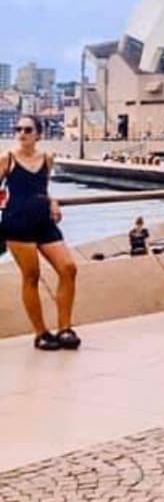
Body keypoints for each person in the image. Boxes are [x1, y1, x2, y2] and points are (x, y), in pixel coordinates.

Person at [0, 116, 81, 350]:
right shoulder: (7, 158)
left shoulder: (46, 158)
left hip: (44, 222)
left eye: (27, 129)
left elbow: (42, 188)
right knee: (31, 276)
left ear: (38, 134)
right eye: (18, 129)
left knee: (68, 268)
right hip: (17, 222)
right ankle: (41, 333)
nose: (22, 133)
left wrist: (53, 200)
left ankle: (65, 328)